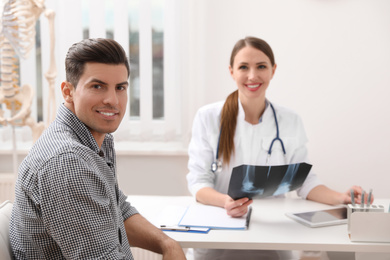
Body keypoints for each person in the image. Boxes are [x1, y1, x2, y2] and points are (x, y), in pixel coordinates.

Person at [186, 36, 373, 259]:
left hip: (273, 236)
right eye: (243, 67)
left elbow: (304, 181)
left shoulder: (290, 120)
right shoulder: (208, 117)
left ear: (273, 70)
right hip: (220, 233)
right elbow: (198, 183)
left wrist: (341, 197)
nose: (253, 76)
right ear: (231, 71)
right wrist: (226, 202)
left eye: (261, 66)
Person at [9, 38, 186, 260]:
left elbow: (116, 208)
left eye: (120, 87)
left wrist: (167, 243)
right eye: (97, 86)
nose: (113, 100)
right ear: (68, 92)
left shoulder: (93, 138)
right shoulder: (67, 161)